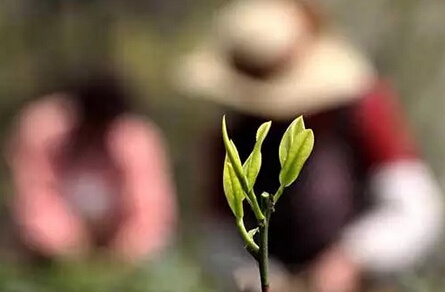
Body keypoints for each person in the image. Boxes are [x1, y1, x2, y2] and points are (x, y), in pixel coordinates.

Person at [174, 0, 444, 291]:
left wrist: (353, 256)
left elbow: (417, 208)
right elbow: (217, 232)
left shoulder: (359, 111)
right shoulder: (233, 135)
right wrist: (255, 272)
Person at [4, 70, 178, 264]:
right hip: (49, 254)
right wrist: (66, 245)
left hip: (122, 250)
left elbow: (151, 209)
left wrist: (125, 253)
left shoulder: (135, 140)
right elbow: (34, 197)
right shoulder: (43, 132)